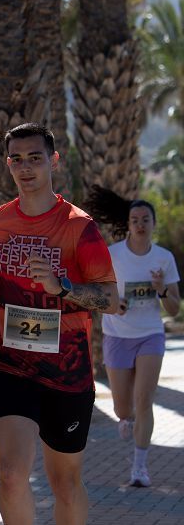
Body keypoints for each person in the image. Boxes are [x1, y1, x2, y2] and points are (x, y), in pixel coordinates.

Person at [0, 122, 118, 525]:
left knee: (64, 481)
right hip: (9, 363)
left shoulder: (78, 227)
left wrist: (63, 286)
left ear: (54, 160)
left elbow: (109, 297)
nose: (25, 167)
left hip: (67, 372)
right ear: (7, 164)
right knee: (10, 473)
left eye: (34, 157)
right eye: (16, 158)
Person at [87, 186, 181, 488]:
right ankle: (124, 419)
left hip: (150, 335)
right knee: (123, 408)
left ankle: (139, 468)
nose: (140, 224)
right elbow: (97, 293)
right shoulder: (113, 255)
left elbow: (174, 308)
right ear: (127, 224)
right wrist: (115, 305)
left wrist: (161, 289)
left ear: (154, 223)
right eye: (135, 220)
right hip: (117, 335)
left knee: (144, 401)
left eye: (145, 219)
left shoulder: (164, 258)